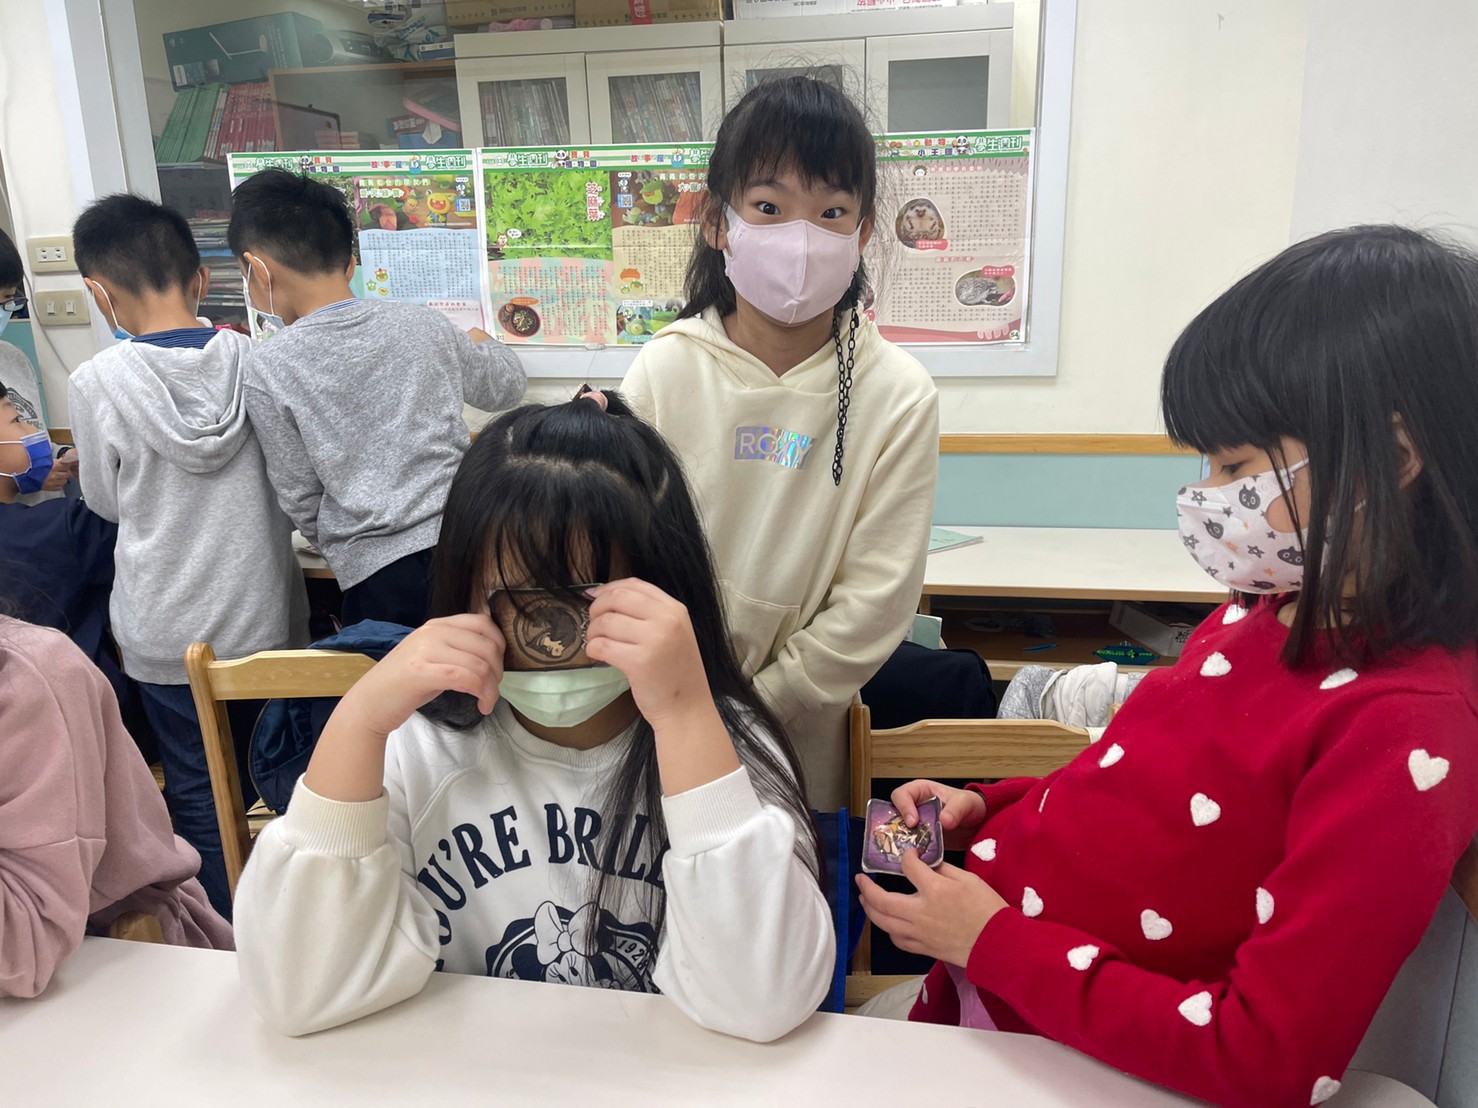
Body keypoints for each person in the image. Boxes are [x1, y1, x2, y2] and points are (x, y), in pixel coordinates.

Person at [856, 226, 1478, 1108]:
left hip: (1078, 1052)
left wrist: (991, 942)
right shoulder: (1268, 606)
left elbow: (1268, 1056)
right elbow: (1146, 780)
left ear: (1395, 459)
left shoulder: (1405, 727)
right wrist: (990, 808)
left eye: (1236, 466)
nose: (1207, 497)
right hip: (1005, 1000)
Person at [233, 391, 833, 1040]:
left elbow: (762, 1003)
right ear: (463, 595)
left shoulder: (723, 748)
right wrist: (358, 720)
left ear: (667, 595)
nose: (552, 647)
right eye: (519, 607)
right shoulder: (418, 750)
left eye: (584, 606)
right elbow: (299, 993)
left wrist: (687, 717)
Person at [620, 77, 939, 808]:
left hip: (800, 737)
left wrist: (754, 710)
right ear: (718, 222)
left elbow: (876, 602)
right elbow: (620, 554)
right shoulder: (665, 369)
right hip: (658, 715)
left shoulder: (897, 393)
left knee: (783, 875)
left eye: (831, 213)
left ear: (863, 234)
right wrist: (684, 701)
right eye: (769, 207)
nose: (801, 238)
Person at [68, 193, 309, 918]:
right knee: (288, 782)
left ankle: (226, 943)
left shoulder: (96, 383)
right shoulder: (257, 361)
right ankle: (297, 923)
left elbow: (105, 502)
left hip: (165, 633)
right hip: (264, 618)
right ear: (202, 279)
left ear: (99, 293)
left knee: (200, 792)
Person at [228, 168, 527, 628]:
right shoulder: (422, 324)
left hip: (377, 575)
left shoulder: (268, 366)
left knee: (401, 676)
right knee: (480, 665)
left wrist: (350, 550)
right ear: (350, 263)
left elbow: (300, 495)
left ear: (258, 268)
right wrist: (484, 340)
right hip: (470, 543)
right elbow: (506, 388)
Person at [0, 615, 232, 998]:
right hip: (158, 646)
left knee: (196, 787)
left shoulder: (27, 675)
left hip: (122, 967)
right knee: (197, 786)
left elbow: (26, 943)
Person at [0, 380, 120, 695]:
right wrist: (102, 479)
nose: (32, 430)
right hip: (85, 703)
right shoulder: (66, 527)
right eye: (17, 420)